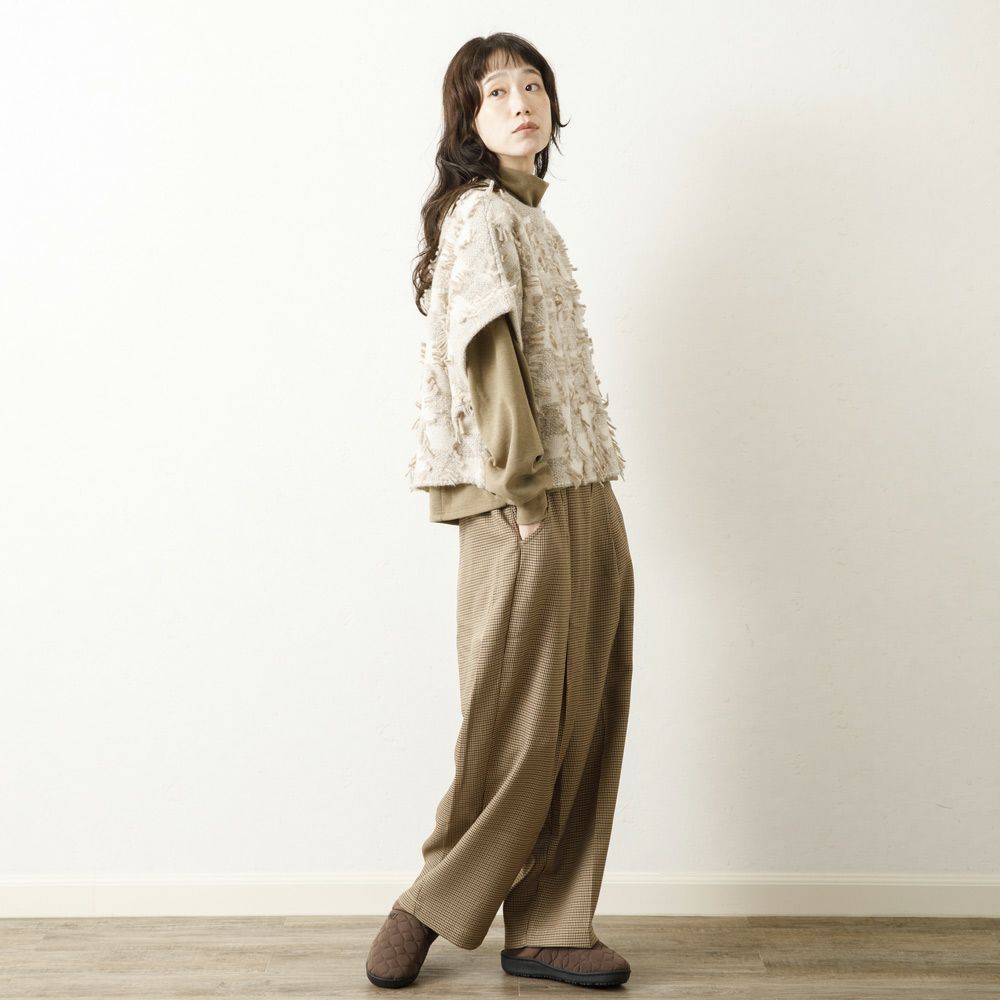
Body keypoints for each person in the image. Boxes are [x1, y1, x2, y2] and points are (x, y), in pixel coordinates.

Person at [366, 32, 635, 990]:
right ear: (469, 122)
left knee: (584, 718)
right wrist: (519, 495)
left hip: (584, 487)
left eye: (534, 86)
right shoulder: (482, 215)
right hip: (526, 498)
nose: (521, 103)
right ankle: (428, 905)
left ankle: (553, 924)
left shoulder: (530, 218)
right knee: (519, 724)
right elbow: (486, 359)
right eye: (495, 93)